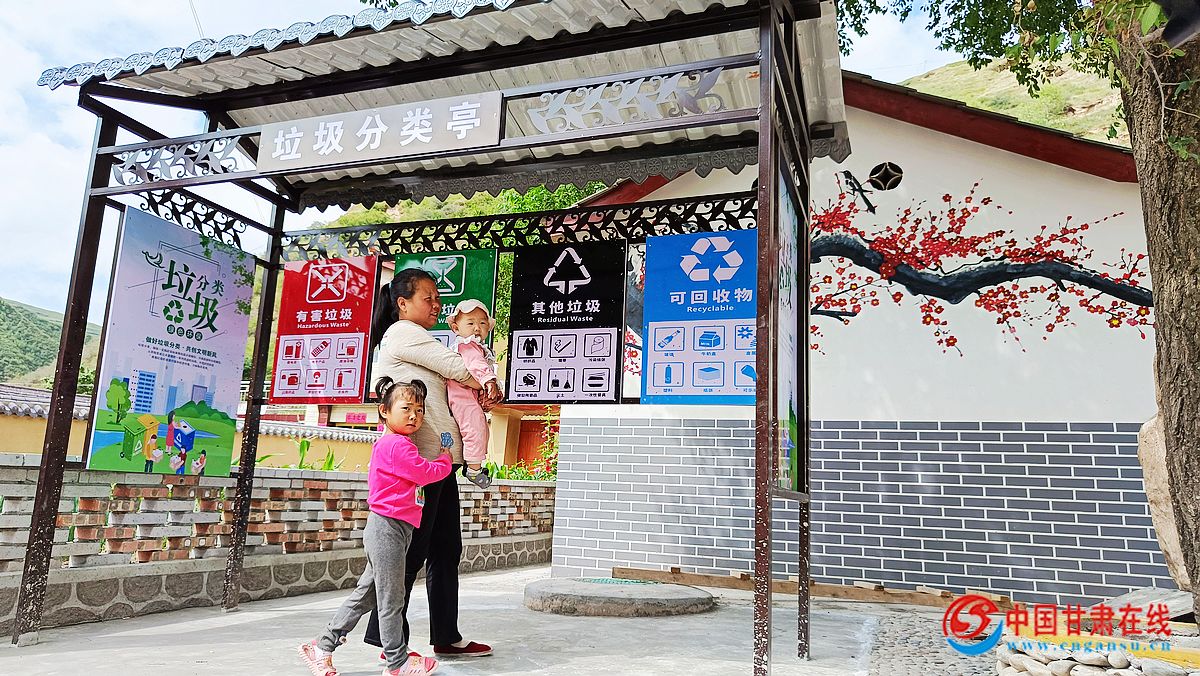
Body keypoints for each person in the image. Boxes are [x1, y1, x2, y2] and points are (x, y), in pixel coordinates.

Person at [363, 268, 499, 661]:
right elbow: (459, 367)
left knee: (446, 548)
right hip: (417, 465)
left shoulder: (421, 338)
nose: (437, 305)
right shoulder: (403, 333)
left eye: (438, 298)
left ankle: (446, 636)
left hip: (439, 462)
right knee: (412, 551)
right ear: (403, 303)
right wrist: (488, 380)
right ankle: (388, 641)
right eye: (429, 298)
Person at [298, 377, 452, 676]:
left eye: (419, 410)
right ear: (384, 411)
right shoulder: (396, 445)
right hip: (387, 529)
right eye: (406, 408)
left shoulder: (400, 443)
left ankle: (322, 646)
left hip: (394, 529)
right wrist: (445, 459)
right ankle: (397, 662)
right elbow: (424, 473)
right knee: (392, 599)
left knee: (367, 595)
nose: (413, 416)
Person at [445, 299, 501, 489]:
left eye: (483, 323)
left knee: (481, 427)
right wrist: (489, 380)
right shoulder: (467, 345)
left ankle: (474, 463)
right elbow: (476, 365)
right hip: (462, 398)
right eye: (470, 323)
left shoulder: (476, 346)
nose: (477, 328)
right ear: (456, 328)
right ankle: (474, 470)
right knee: (475, 427)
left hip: (468, 397)